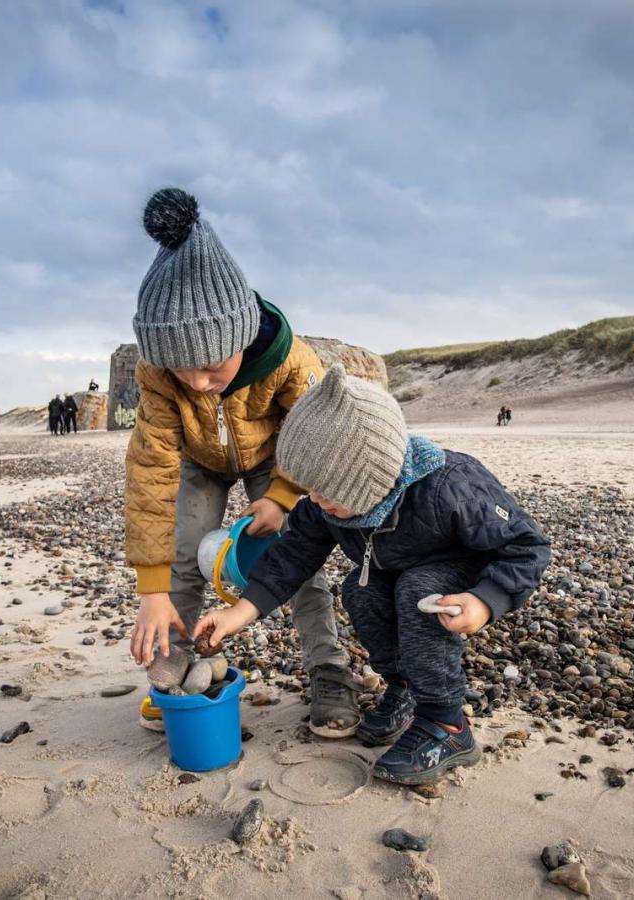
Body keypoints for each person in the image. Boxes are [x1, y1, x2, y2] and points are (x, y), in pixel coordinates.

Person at [194, 366, 551, 785]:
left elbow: (527, 546)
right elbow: (293, 555)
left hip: (458, 576)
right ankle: (404, 686)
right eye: (311, 491)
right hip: (390, 569)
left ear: (370, 481)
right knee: (359, 592)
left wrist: (486, 600)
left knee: (417, 593)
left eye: (328, 493)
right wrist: (241, 611)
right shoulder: (327, 502)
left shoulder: (451, 486)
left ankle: (447, 723)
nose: (317, 503)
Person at [124, 187, 357, 738]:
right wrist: (150, 590)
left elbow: (315, 435)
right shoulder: (157, 376)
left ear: (240, 334)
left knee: (295, 562)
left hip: (277, 459)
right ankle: (177, 675)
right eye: (180, 371)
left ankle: (329, 671)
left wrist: (279, 497)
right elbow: (151, 471)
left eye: (208, 367)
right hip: (199, 461)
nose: (197, 385)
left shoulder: (290, 362)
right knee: (183, 559)